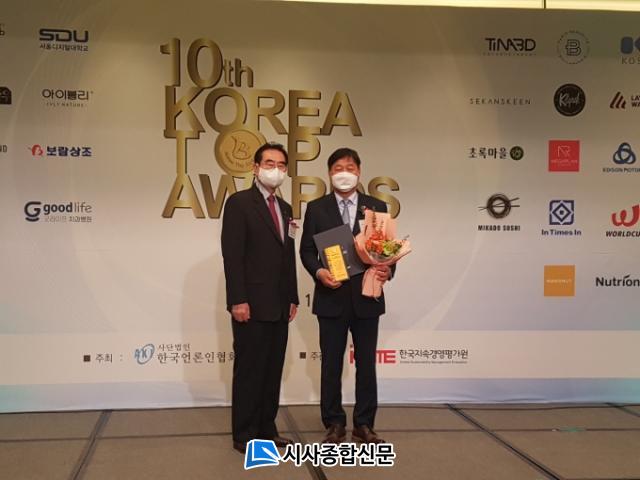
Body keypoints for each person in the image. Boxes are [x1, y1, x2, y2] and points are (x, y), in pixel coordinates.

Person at [300, 147, 392, 444]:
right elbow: (307, 251)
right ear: (329, 173)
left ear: (359, 172)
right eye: (338, 168)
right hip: (331, 298)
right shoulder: (317, 208)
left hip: (367, 297)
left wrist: (388, 271)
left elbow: (387, 249)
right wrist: (319, 272)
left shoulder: (376, 206)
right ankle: (334, 422)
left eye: (350, 168)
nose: (344, 173)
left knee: (366, 364)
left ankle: (364, 424)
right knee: (331, 364)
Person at [221, 142, 299, 454]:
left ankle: (267, 428)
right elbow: (232, 256)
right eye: (269, 163)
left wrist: (293, 297)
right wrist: (237, 299)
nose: (275, 170)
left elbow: (288, 256)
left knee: (272, 370)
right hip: (250, 304)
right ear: (255, 168)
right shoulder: (239, 203)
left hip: (279, 305)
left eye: (281, 165)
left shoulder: (286, 208)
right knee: (250, 371)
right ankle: (244, 433)